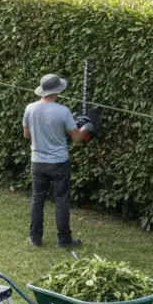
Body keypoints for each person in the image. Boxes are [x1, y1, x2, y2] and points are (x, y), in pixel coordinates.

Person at [23, 73, 93, 249]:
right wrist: (87, 127)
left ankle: (35, 238)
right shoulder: (63, 111)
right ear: (57, 91)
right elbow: (77, 137)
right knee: (61, 200)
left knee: (37, 199)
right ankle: (64, 240)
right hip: (59, 163)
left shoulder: (30, 108)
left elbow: (27, 134)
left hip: (37, 161)